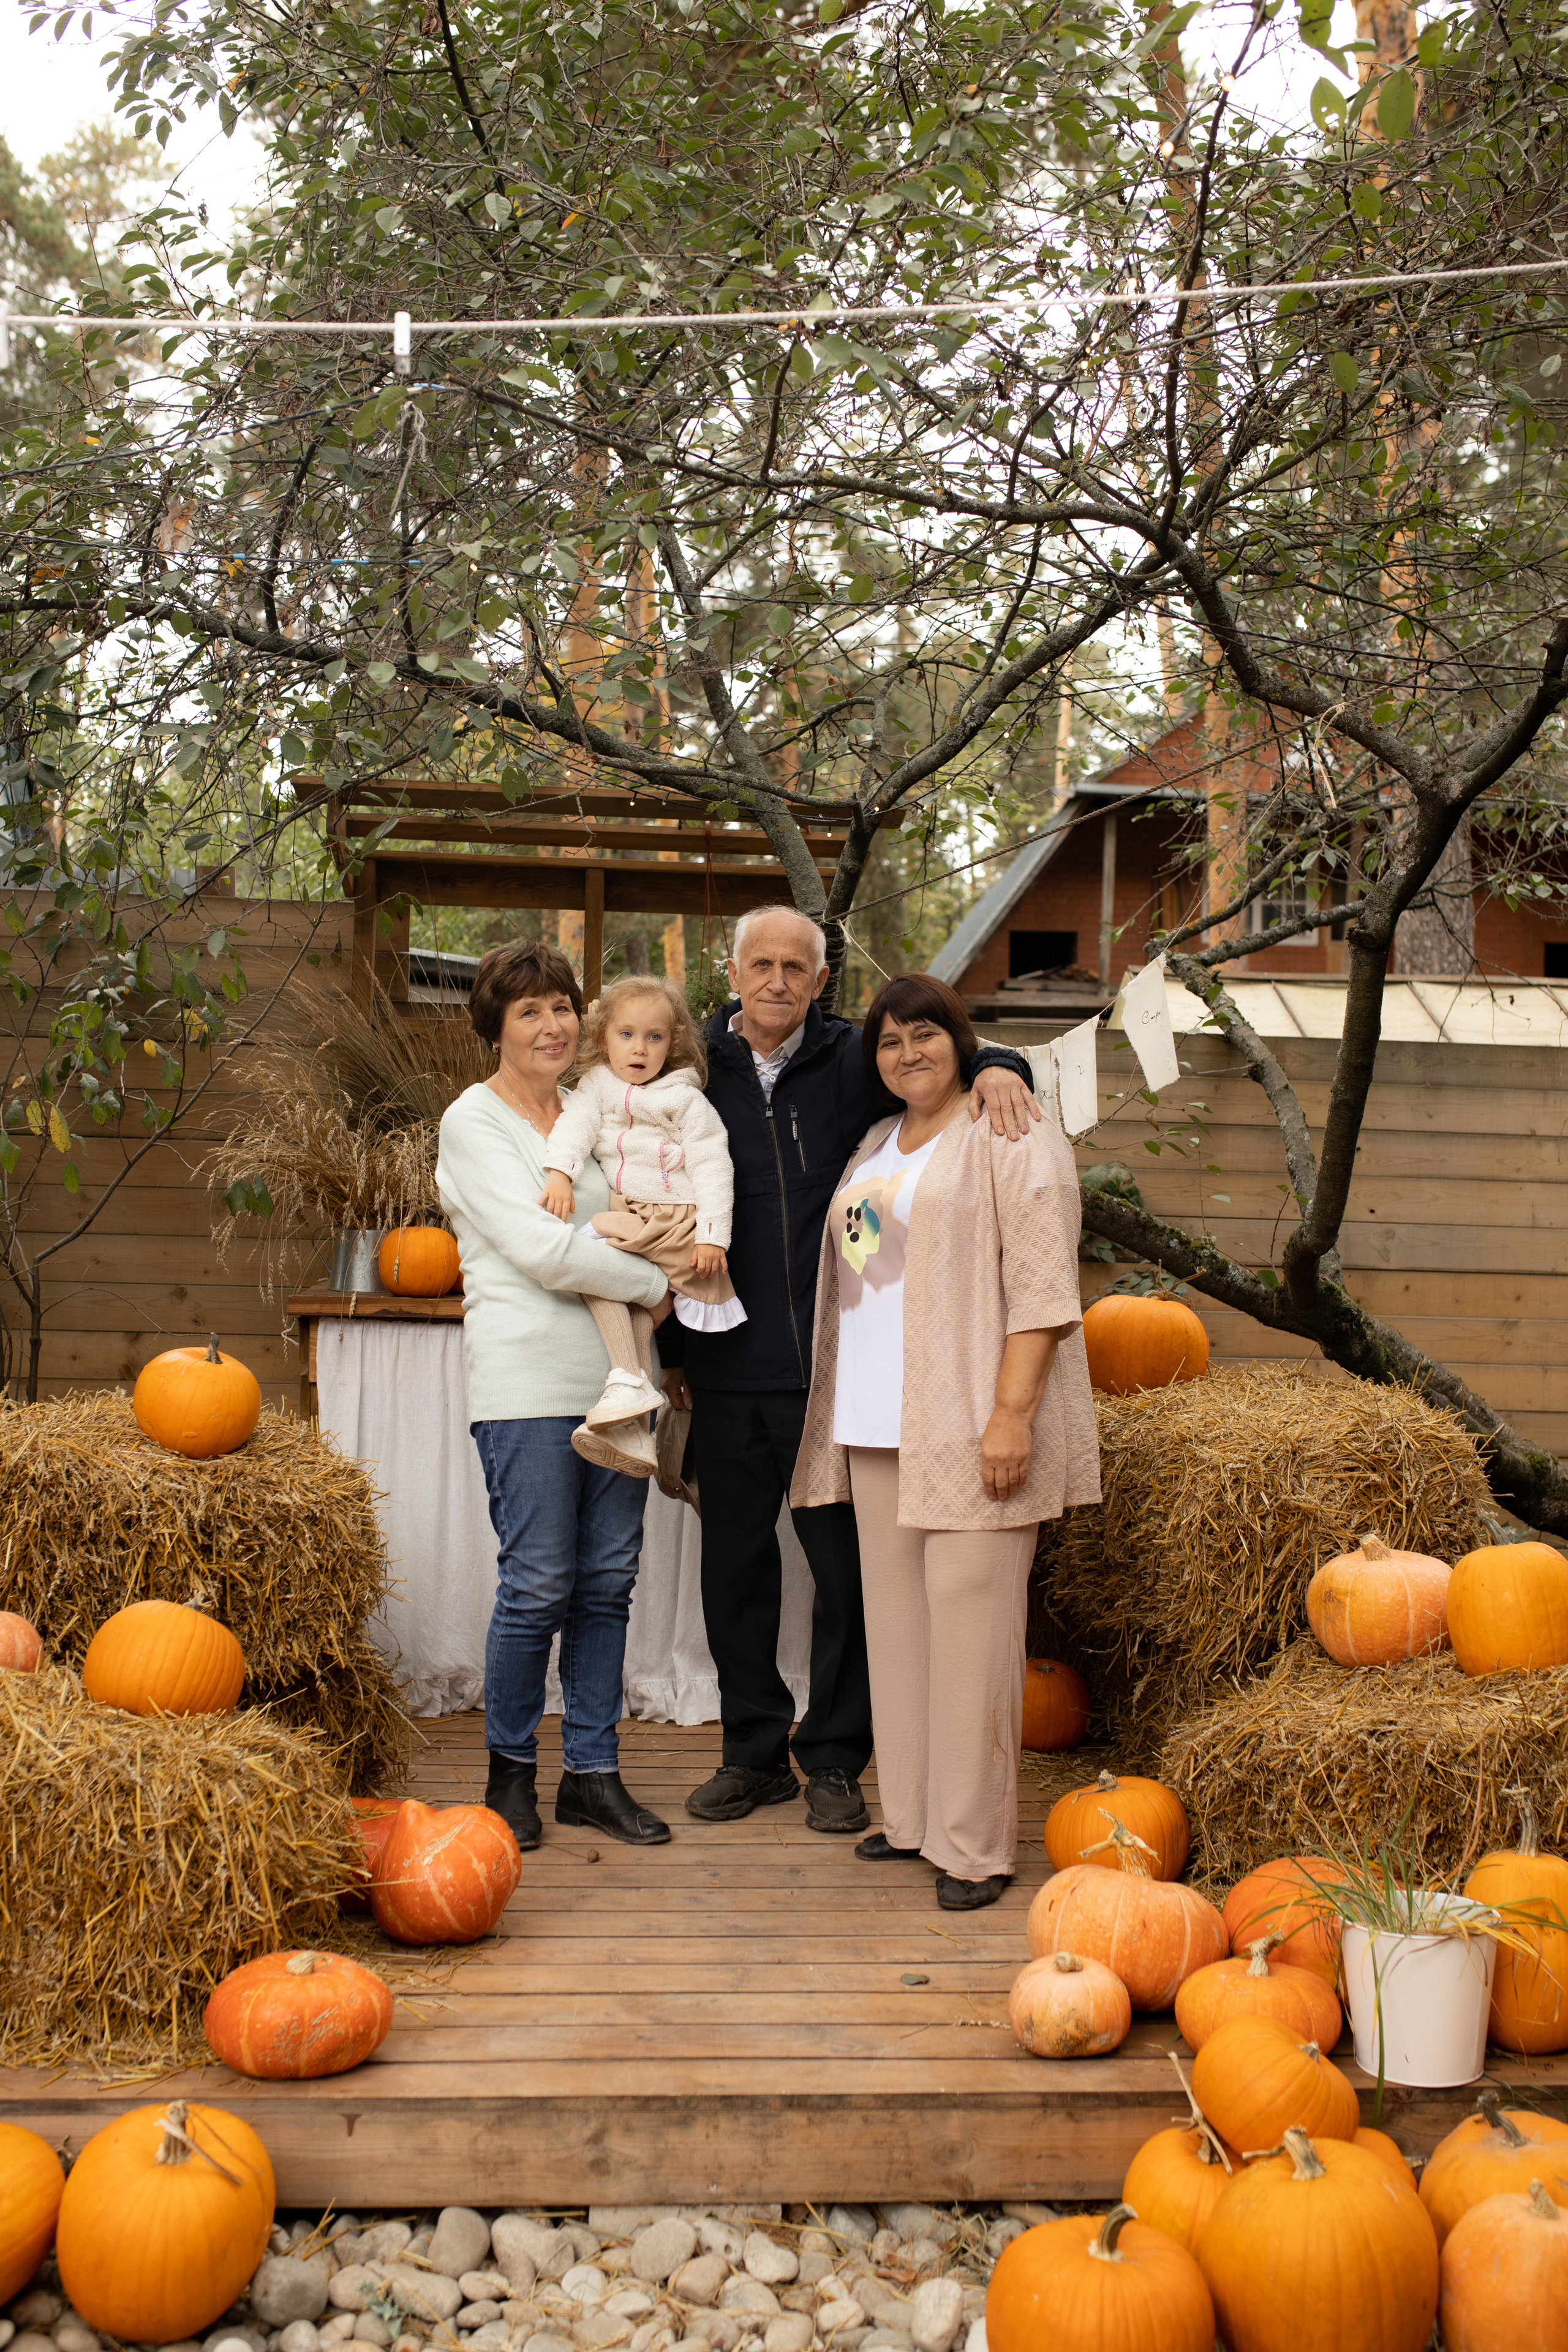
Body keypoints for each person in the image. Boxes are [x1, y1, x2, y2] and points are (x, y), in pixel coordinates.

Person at [658, 905, 1041, 1834]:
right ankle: (752, 1753)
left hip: (831, 1378)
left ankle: (833, 1755)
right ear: (735, 969)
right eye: (762, 964)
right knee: (735, 1568)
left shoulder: (854, 1061)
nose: (778, 981)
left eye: (797, 967)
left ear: (822, 980)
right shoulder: (690, 1071)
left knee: (851, 1578)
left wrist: (1002, 1066)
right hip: (724, 1359)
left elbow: (949, 1064)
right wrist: (667, 1351)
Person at [789, 973, 1098, 1907]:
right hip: (881, 1424)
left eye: (926, 1035)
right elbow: (861, 1275)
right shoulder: (876, 1142)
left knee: (972, 1631)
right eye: (889, 1042)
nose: (907, 1053)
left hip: (971, 1421)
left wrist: (1010, 1416)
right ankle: (915, 1819)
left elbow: (1043, 1289)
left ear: (963, 1044)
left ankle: (974, 1848)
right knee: (900, 1629)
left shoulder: (1009, 1130)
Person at [436, 940, 675, 1853]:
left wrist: (654, 1256)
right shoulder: (475, 1122)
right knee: (538, 1585)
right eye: (528, 1010)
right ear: (495, 1025)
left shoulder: (599, 1112)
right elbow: (538, 1252)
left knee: (608, 1583)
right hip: (528, 1383)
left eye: (563, 1007)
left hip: (621, 1380)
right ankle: (509, 1776)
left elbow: (654, 1215)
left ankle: (592, 1774)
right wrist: (652, 1285)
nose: (552, 1025)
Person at [540, 975, 744, 1479]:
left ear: (672, 1043)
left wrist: (713, 1234)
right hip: (631, 1215)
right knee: (606, 1277)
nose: (639, 1048)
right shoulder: (595, 1089)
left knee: (644, 1296)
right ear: (603, 1038)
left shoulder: (685, 1099)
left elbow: (713, 1163)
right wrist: (559, 1173)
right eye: (626, 1035)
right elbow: (576, 1126)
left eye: (654, 1037)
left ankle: (627, 1385)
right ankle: (629, 1391)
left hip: (677, 1219)